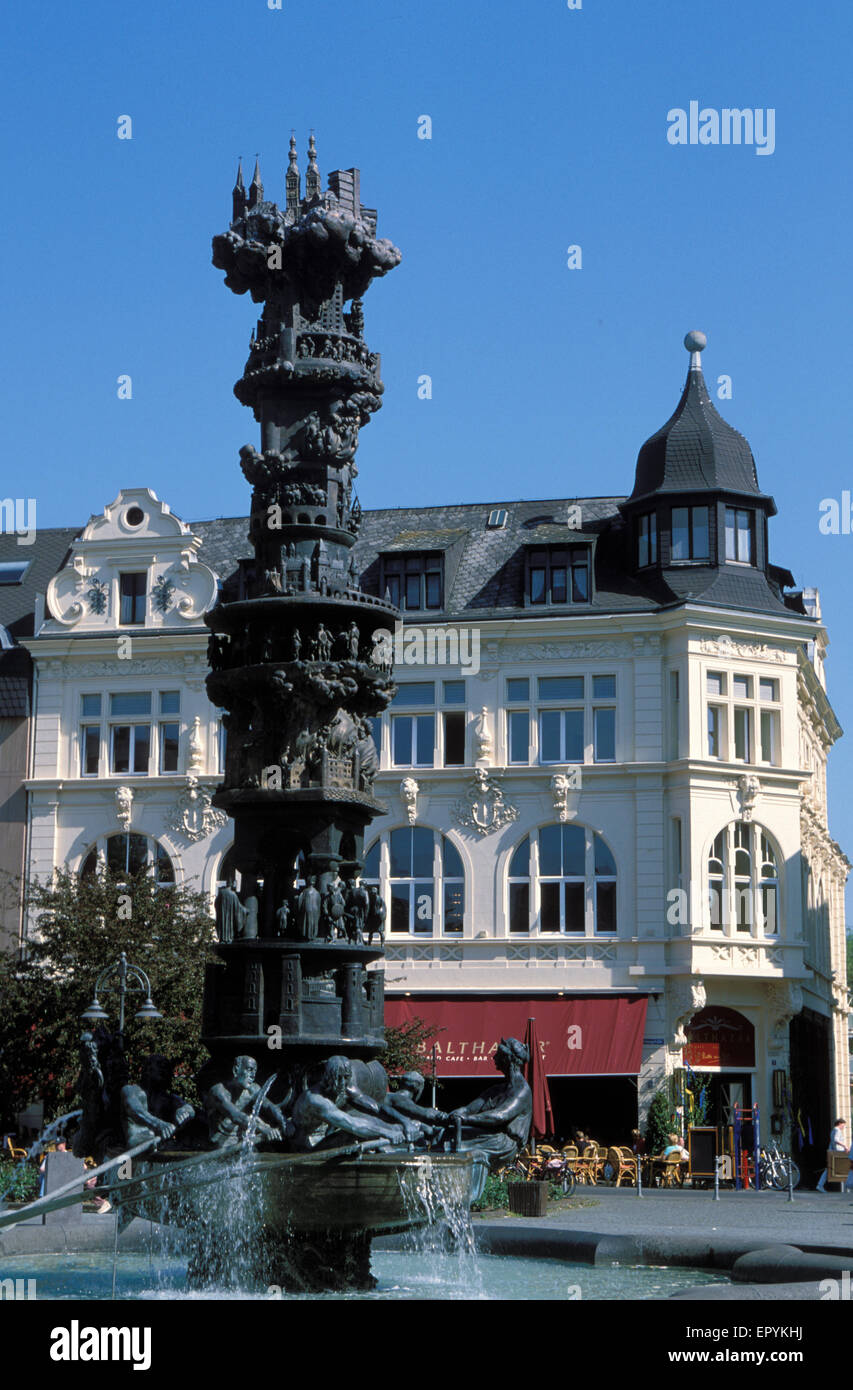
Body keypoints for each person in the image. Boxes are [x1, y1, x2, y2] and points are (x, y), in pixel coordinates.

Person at [816, 1117, 847, 1192]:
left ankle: (820, 1185)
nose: (844, 1127)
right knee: (845, 1168)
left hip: (834, 1152)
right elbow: (836, 1140)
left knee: (829, 1169)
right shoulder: (837, 1130)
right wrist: (845, 1146)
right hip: (837, 1153)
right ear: (839, 1123)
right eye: (843, 1125)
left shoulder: (834, 1130)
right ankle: (847, 1187)